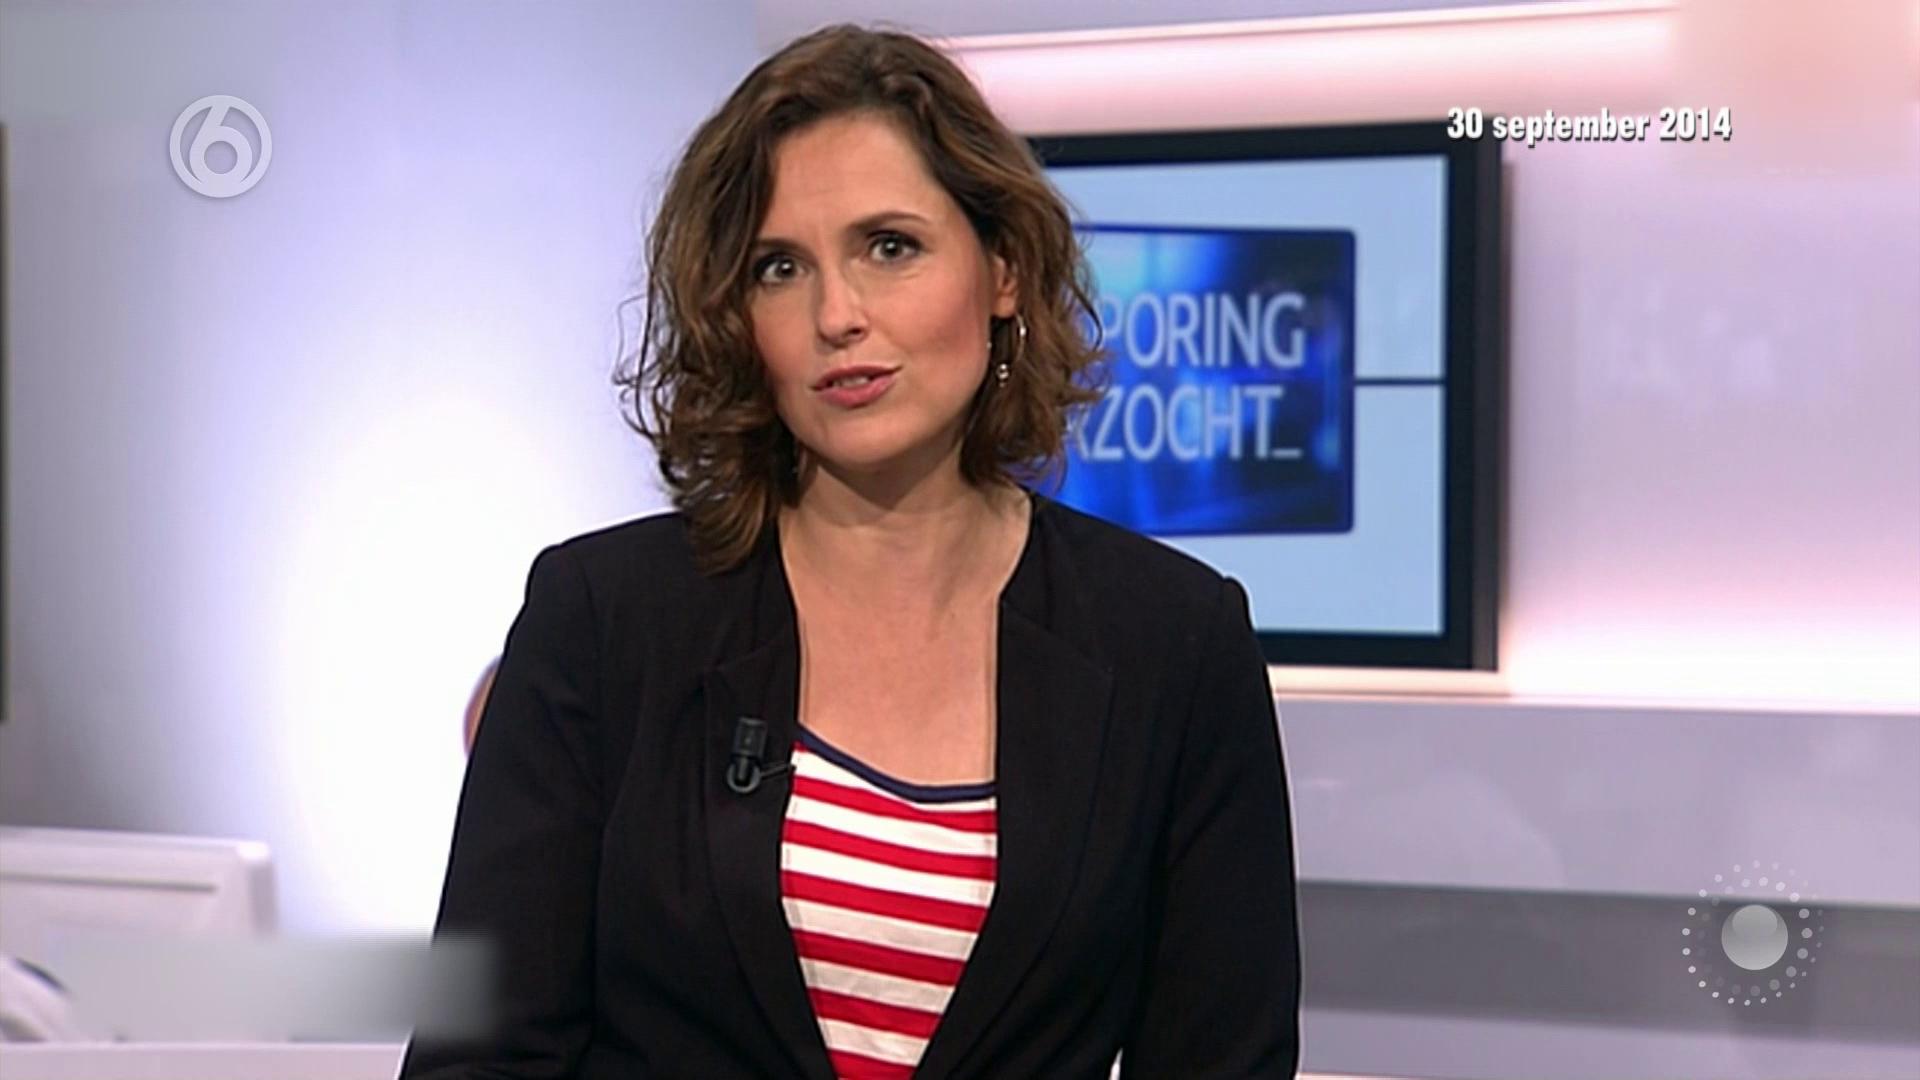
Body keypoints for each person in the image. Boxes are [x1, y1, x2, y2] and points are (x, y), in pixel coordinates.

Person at [400, 23, 1299, 1080]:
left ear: (1003, 269)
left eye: (890, 247)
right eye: (780, 268)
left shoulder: (1174, 641)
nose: (837, 315)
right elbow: (480, 1057)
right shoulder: (604, 618)